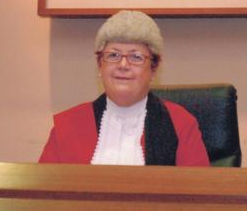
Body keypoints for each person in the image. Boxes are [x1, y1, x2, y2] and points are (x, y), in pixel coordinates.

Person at [39, 10, 209, 166]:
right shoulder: (67, 125)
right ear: (99, 66)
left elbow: (200, 193)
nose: (123, 65)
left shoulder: (181, 124)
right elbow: (43, 192)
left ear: (154, 68)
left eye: (136, 57)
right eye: (113, 55)